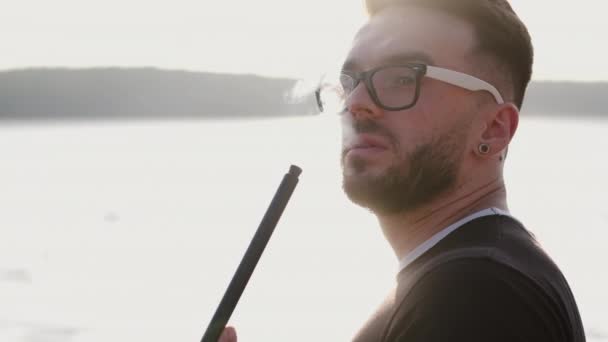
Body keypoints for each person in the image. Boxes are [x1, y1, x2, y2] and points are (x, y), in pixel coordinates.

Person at [220, 0, 586, 341]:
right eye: (351, 82)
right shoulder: (456, 275)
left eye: (402, 78)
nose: (357, 104)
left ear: (494, 128)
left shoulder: (477, 293)